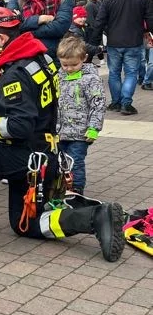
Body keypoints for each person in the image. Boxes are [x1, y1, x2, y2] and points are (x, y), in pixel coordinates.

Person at [0, 7, 126, 262]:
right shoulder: (40, 57)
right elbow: (29, 103)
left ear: (0, 39)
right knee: (26, 226)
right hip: (44, 158)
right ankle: (95, 217)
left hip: (21, 156)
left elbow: (19, 126)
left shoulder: (15, 72)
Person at [92, 0, 153, 115]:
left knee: (114, 73)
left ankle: (115, 103)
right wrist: (147, 32)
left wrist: (95, 42)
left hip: (114, 42)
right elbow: (150, 19)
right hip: (134, 41)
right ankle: (126, 104)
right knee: (131, 73)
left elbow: (99, 22)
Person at [56, 35, 105, 195]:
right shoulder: (58, 76)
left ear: (84, 58)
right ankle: (61, 187)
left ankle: (76, 190)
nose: (69, 68)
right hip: (59, 132)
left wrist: (93, 128)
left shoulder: (90, 79)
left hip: (80, 133)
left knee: (75, 162)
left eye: (73, 65)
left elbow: (98, 104)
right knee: (60, 161)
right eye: (65, 65)